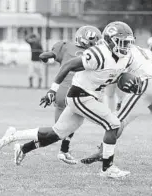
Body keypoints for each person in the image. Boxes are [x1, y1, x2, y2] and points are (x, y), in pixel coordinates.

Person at [0, 21, 135, 178]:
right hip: (81, 95)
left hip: (89, 96)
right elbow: (68, 64)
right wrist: (52, 89)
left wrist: (131, 82)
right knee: (113, 123)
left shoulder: (126, 57)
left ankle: (17, 141)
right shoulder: (98, 53)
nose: (125, 46)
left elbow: (114, 74)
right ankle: (107, 169)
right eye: (122, 42)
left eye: (128, 42)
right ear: (109, 40)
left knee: (56, 134)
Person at [80, 45, 152, 168]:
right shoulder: (137, 49)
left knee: (117, 121)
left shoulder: (124, 50)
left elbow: (116, 71)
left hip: (145, 85)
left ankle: (101, 152)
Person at [18, 26, 102, 165]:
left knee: (68, 126)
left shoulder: (66, 46)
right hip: (75, 92)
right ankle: (21, 145)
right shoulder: (93, 53)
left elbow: (48, 55)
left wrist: (46, 55)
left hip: (63, 91)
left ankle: (63, 151)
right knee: (58, 132)